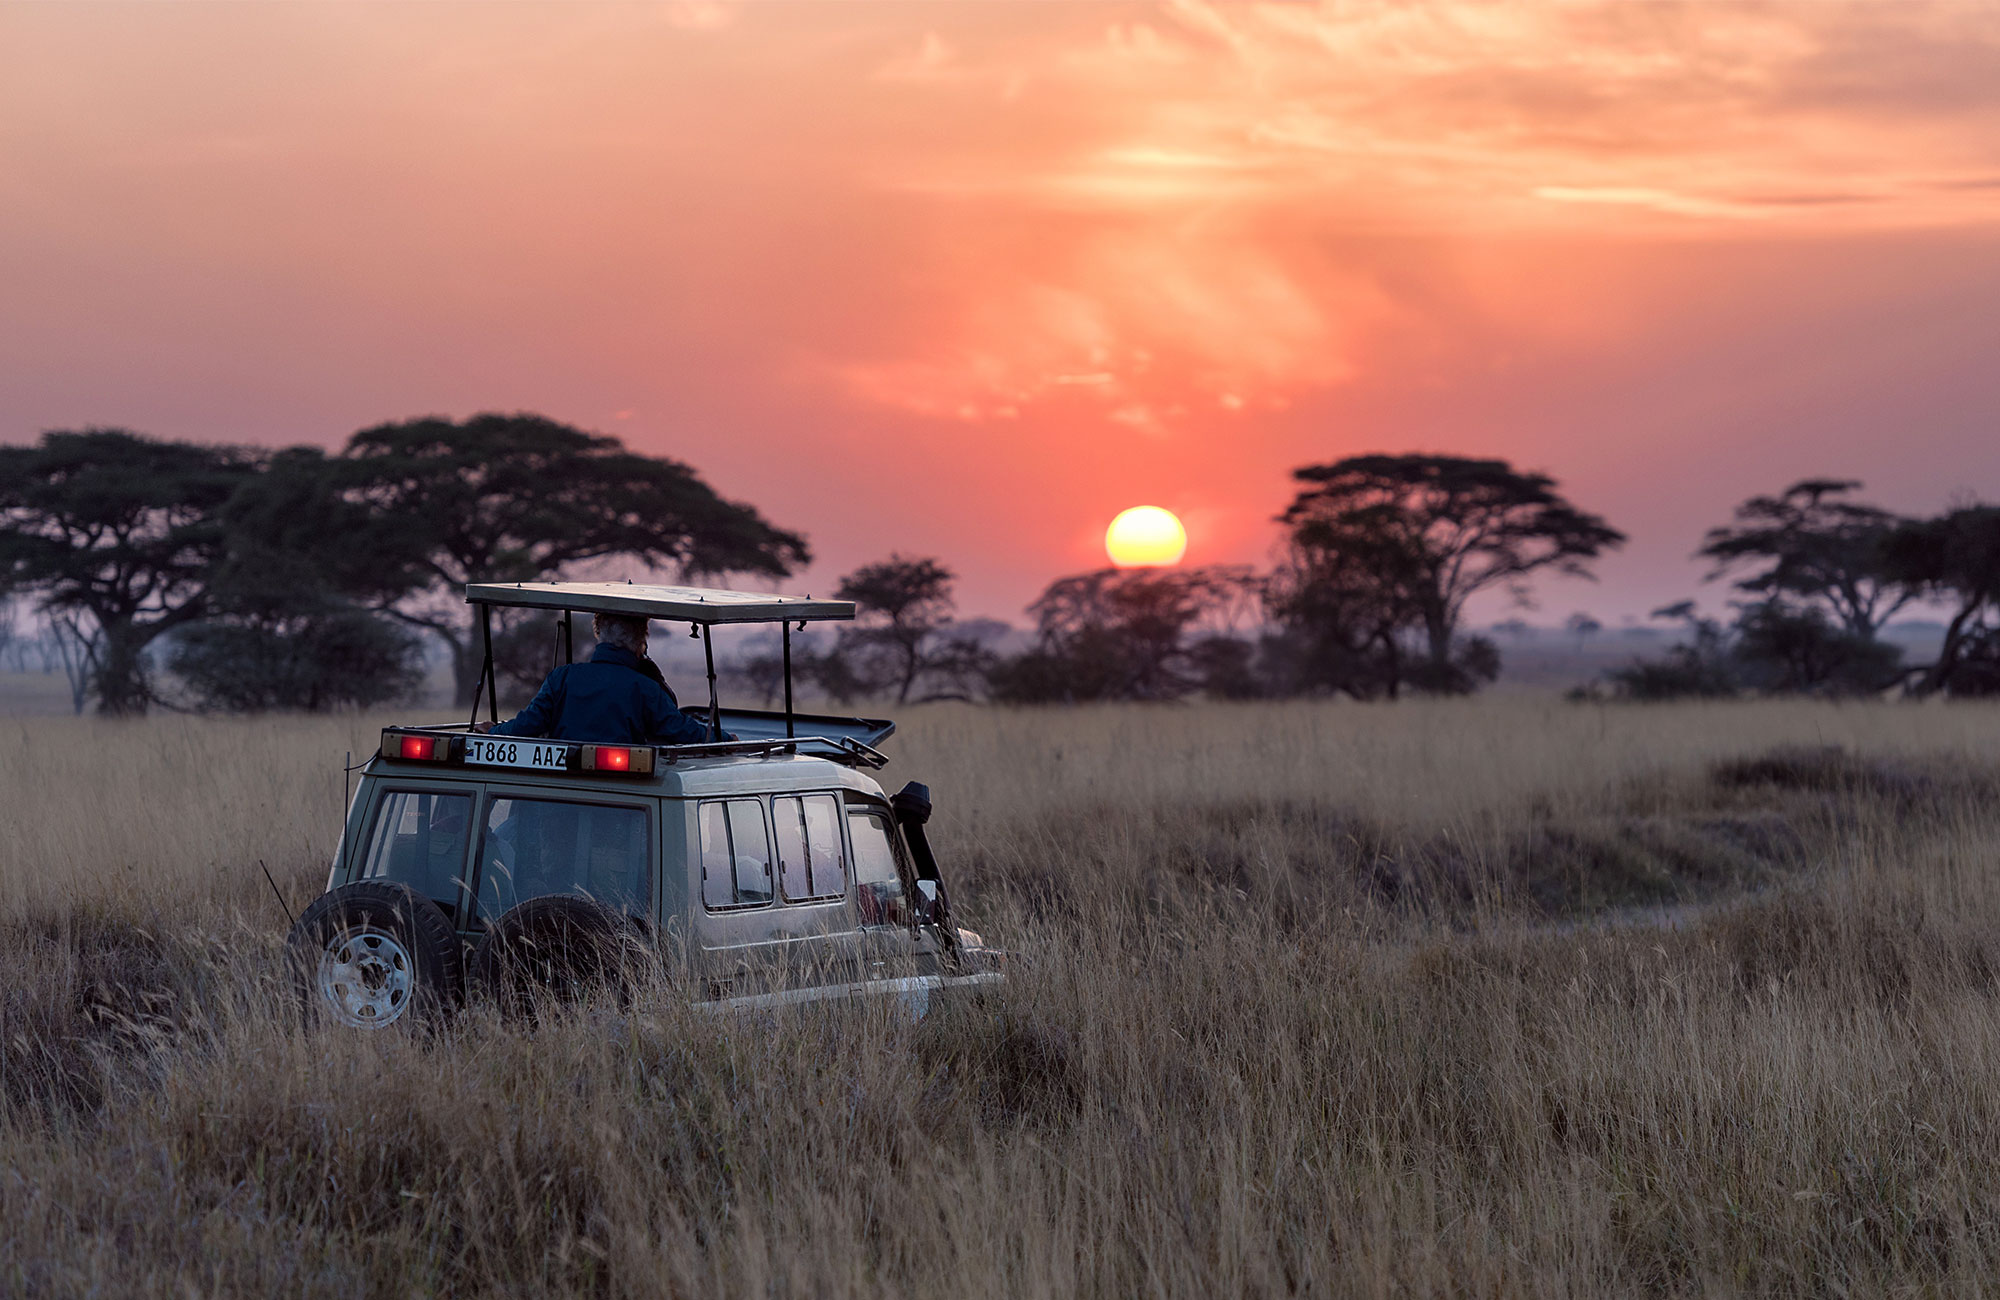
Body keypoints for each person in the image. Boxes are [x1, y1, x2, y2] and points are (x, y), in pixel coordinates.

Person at [477, 612, 724, 745]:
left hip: (562, 792)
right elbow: (678, 729)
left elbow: (528, 724)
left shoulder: (561, 677)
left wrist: (495, 732)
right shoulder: (645, 688)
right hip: (623, 795)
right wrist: (721, 738)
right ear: (641, 641)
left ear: (599, 634)